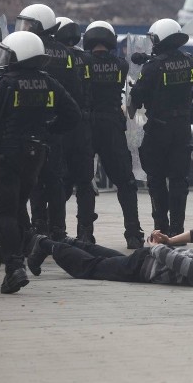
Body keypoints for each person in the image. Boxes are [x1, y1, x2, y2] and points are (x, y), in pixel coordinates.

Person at [0, 31, 80, 293]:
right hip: (34, 157)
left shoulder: (2, 84)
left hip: (3, 157)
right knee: (12, 209)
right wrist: (47, 130)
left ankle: (14, 267)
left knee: (1, 212)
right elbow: (73, 115)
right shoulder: (49, 83)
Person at [25, 227, 193, 288]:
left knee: (108, 257)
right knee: (91, 267)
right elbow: (171, 259)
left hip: (145, 259)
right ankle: (46, 244)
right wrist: (161, 243)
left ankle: (71, 244)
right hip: (144, 268)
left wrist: (168, 241)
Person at [129, 19, 193, 238]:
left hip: (159, 129)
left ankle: (160, 227)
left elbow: (136, 97)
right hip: (183, 128)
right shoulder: (189, 62)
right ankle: (177, 229)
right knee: (179, 180)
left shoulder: (153, 66)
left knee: (156, 179)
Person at [16, 5, 77, 243]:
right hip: (55, 127)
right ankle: (58, 230)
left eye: (28, 24)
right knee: (55, 180)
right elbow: (74, 93)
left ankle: (38, 226)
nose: (24, 29)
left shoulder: (31, 50)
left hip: (31, 126)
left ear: (40, 25)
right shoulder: (66, 54)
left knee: (34, 180)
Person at [83, 21, 145, 249]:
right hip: (112, 126)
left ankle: (85, 234)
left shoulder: (83, 63)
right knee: (125, 181)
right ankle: (133, 233)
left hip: (88, 125)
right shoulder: (120, 65)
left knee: (84, 181)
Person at [54, 16, 97, 243]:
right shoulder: (86, 59)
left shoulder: (55, 59)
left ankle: (56, 230)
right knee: (85, 181)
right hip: (83, 125)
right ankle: (86, 231)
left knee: (58, 180)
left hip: (61, 126)